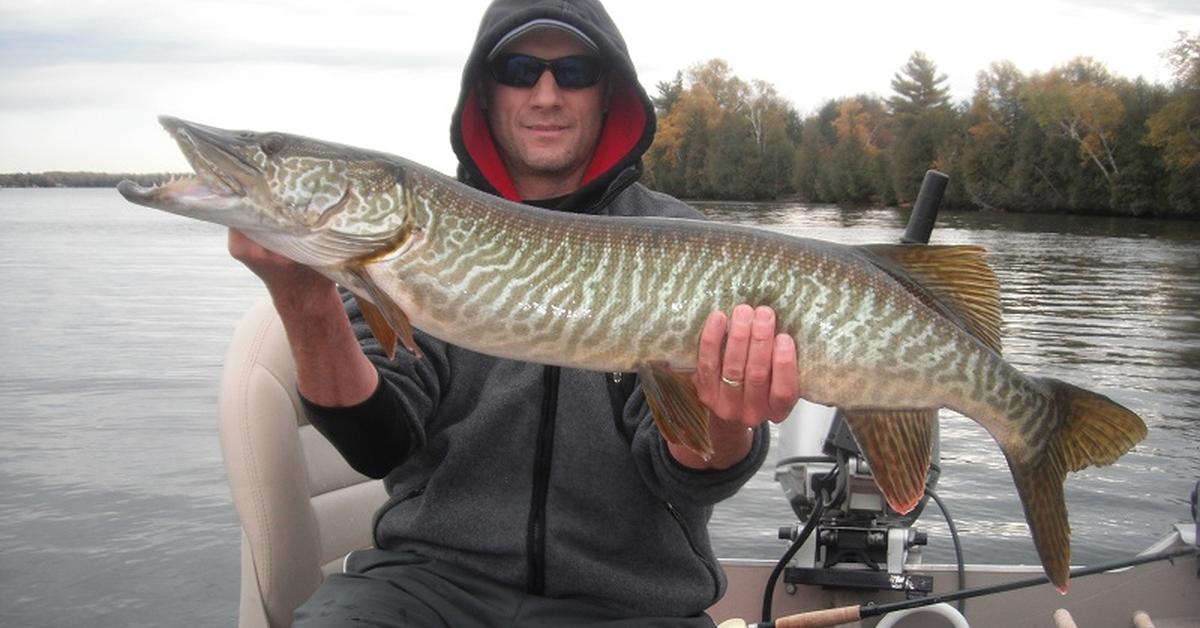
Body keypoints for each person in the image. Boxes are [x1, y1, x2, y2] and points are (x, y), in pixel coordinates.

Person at [229, 1, 800, 625]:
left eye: (575, 71)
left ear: (608, 93)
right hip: (427, 589)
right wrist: (304, 299)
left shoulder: (685, 245)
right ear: (484, 91)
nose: (547, 94)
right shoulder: (412, 240)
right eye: (519, 68)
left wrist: (722, 424)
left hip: (631, 602)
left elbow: (691, 477)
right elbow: (378, 443)